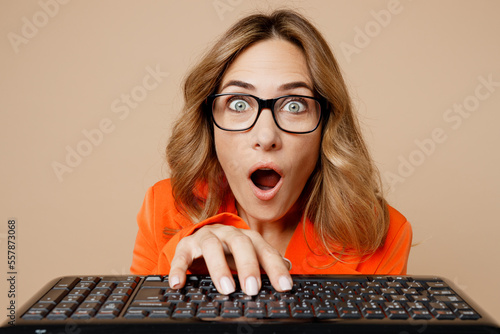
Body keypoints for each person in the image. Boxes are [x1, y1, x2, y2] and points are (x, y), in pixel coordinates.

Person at [130, 9, 412, 297]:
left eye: (294, 105)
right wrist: (186, 276)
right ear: (208, 123)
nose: (266, 137)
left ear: (326, 127)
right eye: (239, 104)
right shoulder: (162, 210)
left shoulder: (382, 234)